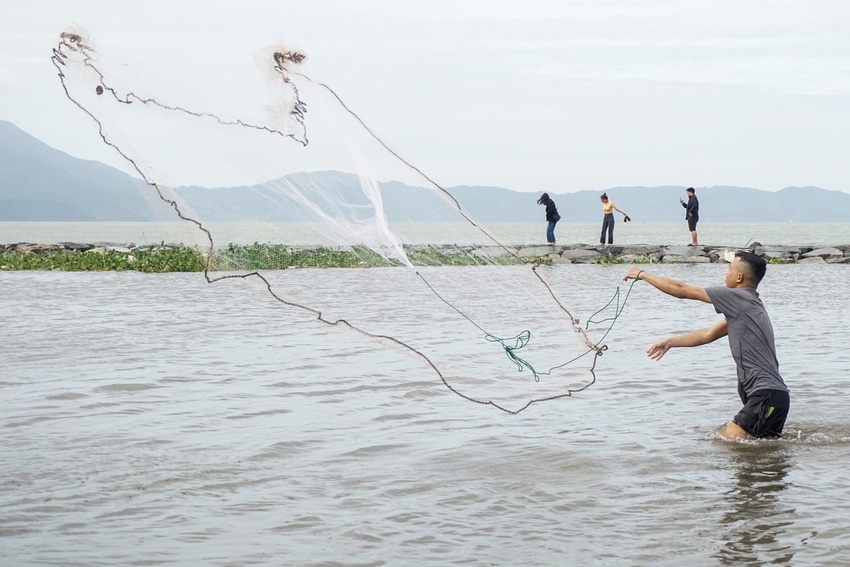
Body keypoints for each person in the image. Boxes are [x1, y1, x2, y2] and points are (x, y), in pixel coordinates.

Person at [623, 251, 790, 440]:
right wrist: (670, 342)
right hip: (775, 397)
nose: (725, 273)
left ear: (739, 277)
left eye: (729, 268)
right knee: (759, 460)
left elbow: (681, 289)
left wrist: (642, 274)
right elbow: (707, 335)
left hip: (765, 395)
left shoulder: (738, 298)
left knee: (725, 441)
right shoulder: (748, 308)